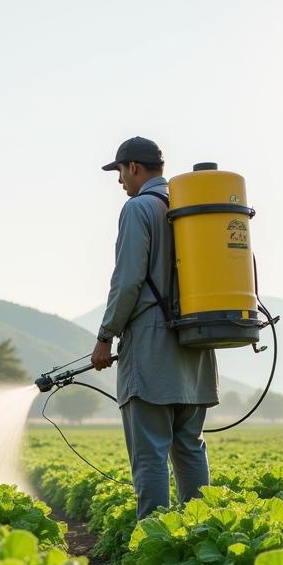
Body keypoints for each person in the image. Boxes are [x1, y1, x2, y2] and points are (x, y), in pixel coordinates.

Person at [90, 136, 218, 518]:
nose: (119, 183)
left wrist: (105, 336)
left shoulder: (138, 208)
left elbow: (127, 280)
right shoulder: (191, 206)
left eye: (119, 173)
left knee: (149, 456)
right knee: (191, 449)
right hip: (197, 347)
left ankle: (154, 541)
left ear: (133, 168)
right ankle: (202, 531)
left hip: (150, 351)